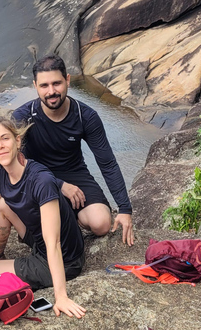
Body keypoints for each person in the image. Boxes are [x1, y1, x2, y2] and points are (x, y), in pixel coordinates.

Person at [0, 117, 86, 319]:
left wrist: (61, 296)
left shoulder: (41, 180)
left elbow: (53, 242)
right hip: (39, 241)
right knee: (0, 205)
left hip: (64, 258)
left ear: (17, 141)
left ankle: (24, 272)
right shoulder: (0, 173)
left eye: (5, 138)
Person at [12, 55, 134, 246]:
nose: (51, 91)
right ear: (35, 86)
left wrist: (125, 209)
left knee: (101, 224)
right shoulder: (22, 117)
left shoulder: (85, 116)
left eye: (57, 83)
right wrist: (59, 184)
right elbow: (17, 164)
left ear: (67, 80)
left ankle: (71, 218)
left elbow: (107, 163)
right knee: (40, 229)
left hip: (75, 173)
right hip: (36, 177)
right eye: (44, 86)